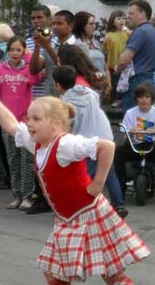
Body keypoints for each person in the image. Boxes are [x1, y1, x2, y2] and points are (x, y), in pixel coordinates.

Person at [0, 73, 152, 285]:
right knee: (52, 272)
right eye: (29, 118)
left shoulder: (66, 144)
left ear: (56, 124)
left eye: (36, 119)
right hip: (67, 220)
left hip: (90, 214)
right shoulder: (38, 144)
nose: (28, 123)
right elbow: (9, 124)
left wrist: (98, 184)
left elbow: (107, 146)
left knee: (113, 274)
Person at [53, 54, 126, 214]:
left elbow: (68, 125)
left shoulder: (64, 102)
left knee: (87, 176)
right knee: (109, 172)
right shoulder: (89, 91)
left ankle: (86, 206)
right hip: (105, 134)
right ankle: (118, 204)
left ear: (58, 85)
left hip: (87, 140)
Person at [0, 38, 37, 209]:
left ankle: (28, 196)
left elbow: (34, 80)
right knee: (13, 159)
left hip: (27, 122)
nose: (16, 53)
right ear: (7, 51)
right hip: (8, 122)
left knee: (27, 160)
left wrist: (30, 56)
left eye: (19, 50)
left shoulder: (28, 69)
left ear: (24, 51)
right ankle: (16, 195)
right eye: (12, 50)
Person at [117, 82, 155, 203]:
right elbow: (125, 137)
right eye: (141, 97)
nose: (144, 100)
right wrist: (132, 132)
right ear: (136, 99)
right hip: (135, 145)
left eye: (147, 97)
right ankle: (120, 190)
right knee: (117, 154)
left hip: (152, 145)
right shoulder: (130, 113)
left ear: (152, 99)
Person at [114, 0, 155, 110]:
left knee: (131, 120)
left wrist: (117, 68)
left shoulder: (140, 31)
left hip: (137, 80)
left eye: (131, 13)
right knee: (143, 120)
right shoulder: (154, 32)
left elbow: (124, 60)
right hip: (149, 79)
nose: (128, 17)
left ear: (142, 14)